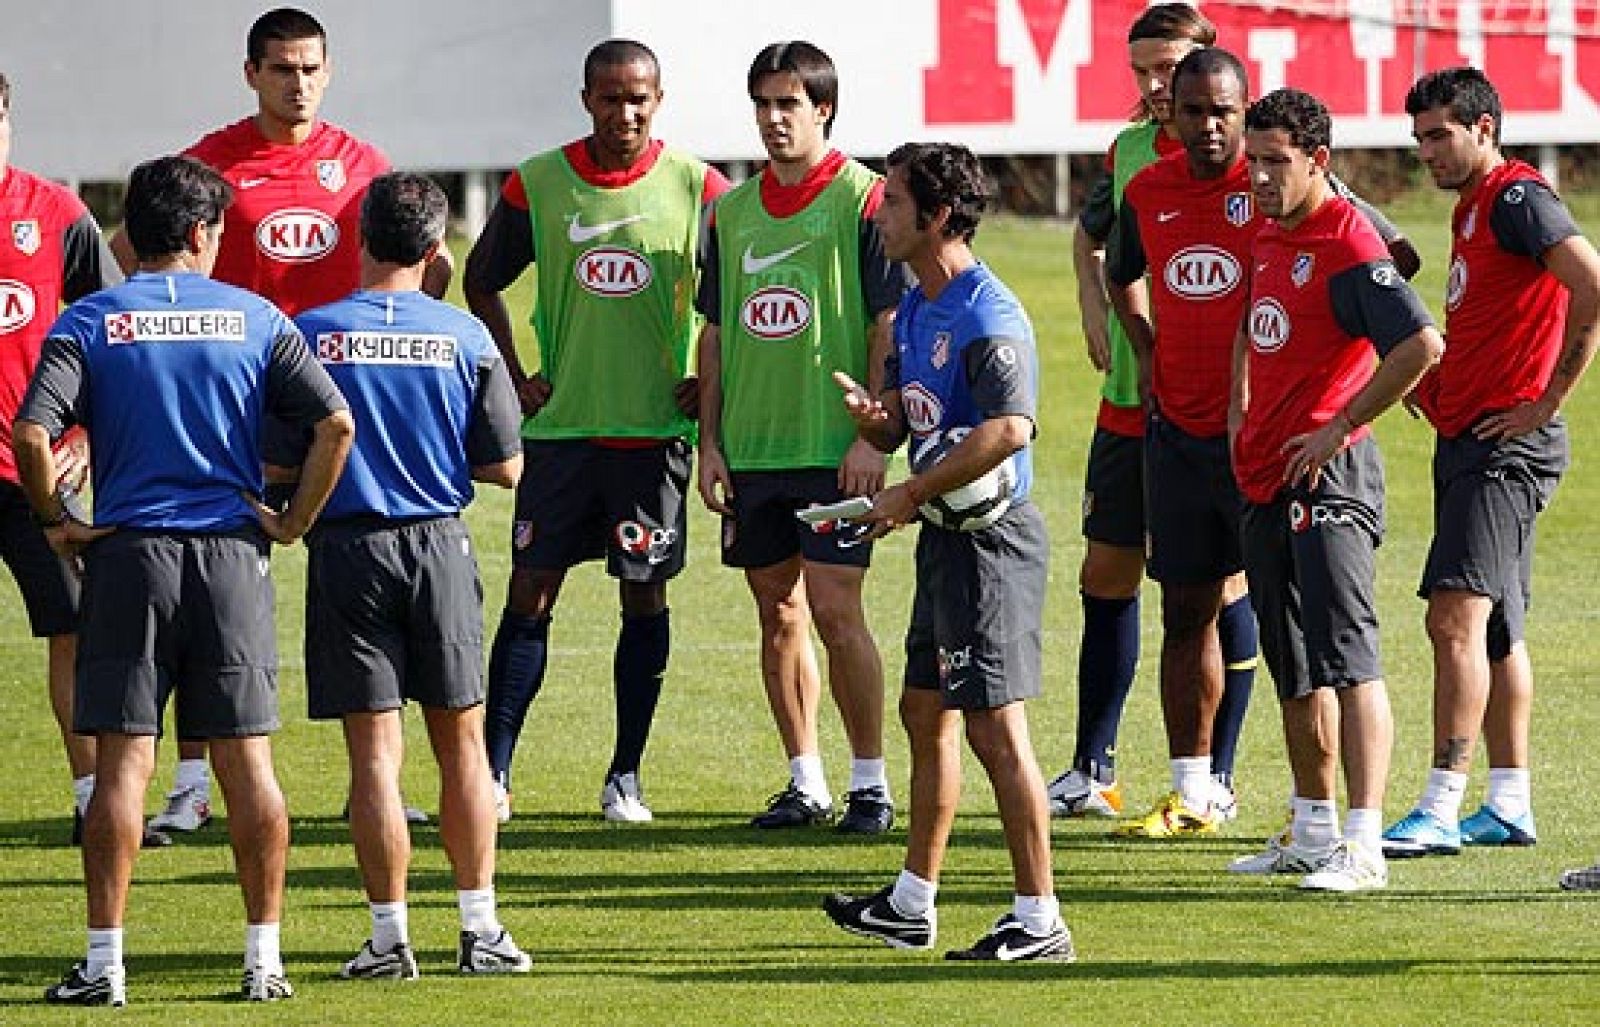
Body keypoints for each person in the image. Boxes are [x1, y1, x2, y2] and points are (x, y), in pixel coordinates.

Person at [17, 154, 354, 1005]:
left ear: (130, 234)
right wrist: (293, 521)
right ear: (206, 233)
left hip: (129, 558)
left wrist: (57, 518)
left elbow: (30, 435)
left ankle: (105, 963)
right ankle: (263, 959)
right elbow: (334, 423)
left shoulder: (90, 321)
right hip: (231, 560)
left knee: (124, 768)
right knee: (250, 766)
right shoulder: (257, 318)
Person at [112, 7, 440, 834]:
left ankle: (378, 782)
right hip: (237, 408)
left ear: (328, 72)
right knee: (207, 592)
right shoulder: (212, 162)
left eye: (311, 69)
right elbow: (130, 253)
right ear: (251, 72)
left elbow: (421, 265)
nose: (298, 84)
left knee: (362, 584)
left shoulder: (362, 164)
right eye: (282, 69)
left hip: (334, 407)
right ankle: (192, 783)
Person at [1103, 46, 1416, 838]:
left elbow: (1393, 263)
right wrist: (1146, 350)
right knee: (1190, 609)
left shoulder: (1294, 193)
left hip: (1292, 447)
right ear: (1166, 112)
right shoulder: (1147, 190)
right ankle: (1199, 790)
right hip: (1182, 430)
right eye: (1194, 111)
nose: (1210, 128)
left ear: (1246, 115)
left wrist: (1344, 379)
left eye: (1224, 113)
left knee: (1316, 638)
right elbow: (1119, 268)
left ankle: (1341, 825)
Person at [273, 172, 532, 977]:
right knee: (461, 748)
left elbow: (280, 459)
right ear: (434, 248)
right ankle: (480, 928)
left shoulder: (308, 333)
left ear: (359, 238)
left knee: (374, 759)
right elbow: (507, 466)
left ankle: (389, 938)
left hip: (346, 550)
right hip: (437, 546)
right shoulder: (466, 338)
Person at [463, 39, 728, 823]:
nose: (627, 113)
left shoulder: (699, 186)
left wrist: (707, 377)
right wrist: (516, 375)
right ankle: (494, 772)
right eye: (611, 98)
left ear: (660, 97)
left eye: (640, 97)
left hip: (653, 436)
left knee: (643, 599)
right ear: (587, 99)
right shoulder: (539, 182)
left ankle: (625, 776)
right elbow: (480, 281)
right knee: (531, 592)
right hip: (564, 433)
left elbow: (737, 295)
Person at [822, 141, 1072, 961]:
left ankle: (1040, 919)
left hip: (991, 546)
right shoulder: (918, 304)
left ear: (934, 217)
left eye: (891, 200)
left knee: (997, 731)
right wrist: (879, 422)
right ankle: (911, 902)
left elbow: (1009, 429)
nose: (878, 211)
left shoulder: (984, 312)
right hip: (945, 540)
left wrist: (907, 493)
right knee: (924, 710)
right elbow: (912, 415)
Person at [1225, 87, 1442, 892]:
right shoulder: (1265, 231)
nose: (1259, 177)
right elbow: (1256, 325)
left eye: (1275, 163)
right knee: (1293, 660)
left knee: (1348, 657)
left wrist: (1337, 425)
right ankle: (1313, 824)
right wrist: (1238, 414)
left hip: (1331, 474)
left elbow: (1421, 343)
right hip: (1266, 473)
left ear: (1319, 161)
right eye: (1253, 162)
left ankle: (1364, 841)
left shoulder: (1349, 242)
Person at [1381, 68, 1600, 860]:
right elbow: (1498, 314)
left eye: (1441, 135)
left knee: (1453, 619)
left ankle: (1440, 802)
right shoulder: (1478, 208)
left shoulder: (1515, 198)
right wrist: (1439, 387)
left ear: (1484, 127)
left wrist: (1545, 402)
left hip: (1504, 449)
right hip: (1473, 440)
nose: (1428, 152)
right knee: (1499, 631)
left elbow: (1591, 281)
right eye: (1420, 140)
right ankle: (1509, 801)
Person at [696, 41, 905, 832]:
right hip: (753, 449)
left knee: (834, 606)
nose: (774, 119)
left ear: (824, 109)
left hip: (832, 449)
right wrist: (710, 441)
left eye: (790, 104)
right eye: (764, 104)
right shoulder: (731, 211)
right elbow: (714, 333)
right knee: (775, 612)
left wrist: (874, 434)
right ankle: (805, 778)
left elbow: (889, 321)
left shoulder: (863, 199)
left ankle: (871, 784)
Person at [1050, 0, 1217, 822]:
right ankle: (1092, 767)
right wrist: (1094, 309)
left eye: (1169, 69)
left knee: (1220, 589)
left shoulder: (1248, 153)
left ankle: (1213, 778)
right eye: (1143, 71)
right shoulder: (1126, 152)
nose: (1155, 86)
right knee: (1104, 574)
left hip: (1213, 413)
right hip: (1128, 401)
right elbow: (1094, 242)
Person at [0, 70, 147, 847]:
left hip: (35, 473)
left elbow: (107, 334)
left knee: (77, 628)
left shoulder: (56, 213)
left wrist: (82, 438)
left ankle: (92, 794)